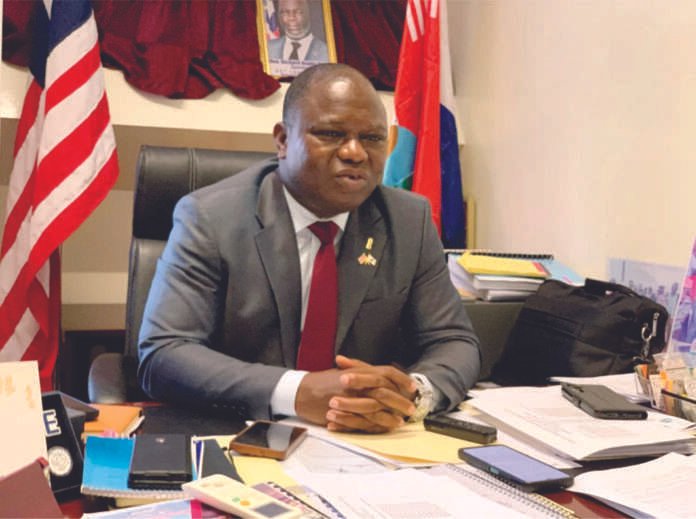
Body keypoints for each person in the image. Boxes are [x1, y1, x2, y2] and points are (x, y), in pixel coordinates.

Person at [138, 63, 480, 433]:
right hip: (239, 431)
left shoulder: (409, 220)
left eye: (372, 138)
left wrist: (411, 395)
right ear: (283, 141)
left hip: (365, 442)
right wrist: (297, 392)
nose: (355, 153)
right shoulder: (210, 217)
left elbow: (453, 341)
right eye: (331, 134)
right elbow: (165, 353)